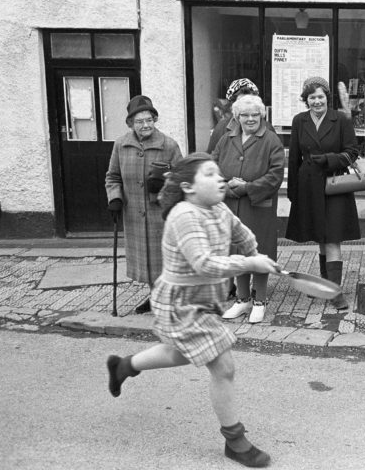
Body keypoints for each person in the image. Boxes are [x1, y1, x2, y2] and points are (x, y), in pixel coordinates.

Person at [105, 153, 279, 467]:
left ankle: (124, 366)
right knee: (222, 366)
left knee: (183, 353)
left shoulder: (217, 207)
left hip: (204, 300)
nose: (220, 179)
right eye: (210, 175)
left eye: (220, 174)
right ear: (189, 187)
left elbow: (242, 234)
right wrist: (249, 264)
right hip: (181, 302)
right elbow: (204, 263)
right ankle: (236, 442)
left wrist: (256, 253)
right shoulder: (185, 215)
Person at [285, 76, 361, 310]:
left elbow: (352, 152)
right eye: (311, 97)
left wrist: (328, 159)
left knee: (333, 239)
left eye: (320, 96)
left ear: (327, 97)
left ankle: (335, 293)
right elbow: (294, 157)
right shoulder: (299, 120)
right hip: (308, 185)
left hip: (334, 184)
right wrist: (293, 192)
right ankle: (324, 286)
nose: (317, 101)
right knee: (320, 238)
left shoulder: (340, 120)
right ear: (305, 100)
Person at [106, 95, 183, 313]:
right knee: (146, 261)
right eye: (139, 121)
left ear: (155, 119)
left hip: (161, 214)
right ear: (131, 123)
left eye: (149, 119)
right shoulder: (121, 145)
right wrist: (115, 198)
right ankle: (155, 296)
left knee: (163, 259)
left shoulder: (168, 145)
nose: (145, 125)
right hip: (134, 214)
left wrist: (164, 184)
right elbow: (113, 176)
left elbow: (182, 178)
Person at [212, 94, 285, 322]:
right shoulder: (226, 138)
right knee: (237, 252)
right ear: (237, 116)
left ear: (262, 115)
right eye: (245, 115)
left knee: (258, 252)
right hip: (232, 206)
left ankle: (260, 301)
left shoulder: (271, 139)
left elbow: (275, 176)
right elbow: (211, 165)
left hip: (258, 207)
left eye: (255, 114)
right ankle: (242, 301)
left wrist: (247, 188)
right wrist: (225, 187)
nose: (251, 119)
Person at [207, 78, 267, 154]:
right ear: (232, 105)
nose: (246, 106)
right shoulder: (222, 127)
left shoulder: (266, 128)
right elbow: (212, 157)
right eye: (241, 103)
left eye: (249, 102)